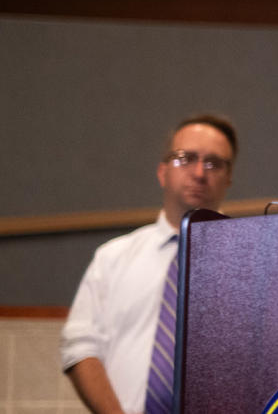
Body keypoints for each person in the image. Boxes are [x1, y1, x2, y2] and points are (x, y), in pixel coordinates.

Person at [61, 114, 238, 414]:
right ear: (162, 172)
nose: (199, 172)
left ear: (228, 178)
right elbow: (79, 347)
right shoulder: (112, 258)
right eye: (187, 158)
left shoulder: (250, 265)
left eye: (213, 163)